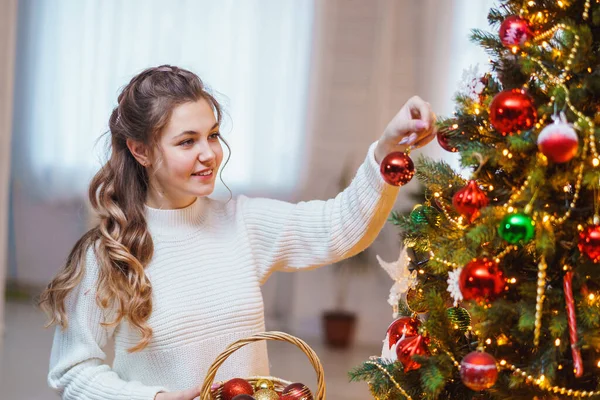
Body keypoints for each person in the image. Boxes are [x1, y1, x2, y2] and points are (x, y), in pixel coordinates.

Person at [38, 65, 436, 400]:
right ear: (140, 151)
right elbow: (72, 370)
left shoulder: (241, 223)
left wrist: (386, 149)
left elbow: (339, 228)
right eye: (186, 141)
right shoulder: (107, 253)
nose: (209, 154)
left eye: (212, 135)